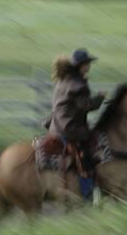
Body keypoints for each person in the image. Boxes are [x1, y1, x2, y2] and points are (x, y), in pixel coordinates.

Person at [44, 48, 106, 196]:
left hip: (56, 126)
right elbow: (87, 106)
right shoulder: (78, 85)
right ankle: (87, 193)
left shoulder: (64, 79)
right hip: (69, 128)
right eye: (87, 63)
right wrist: (100, 97)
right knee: (86, 158)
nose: (89, 66)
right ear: (80, 65)